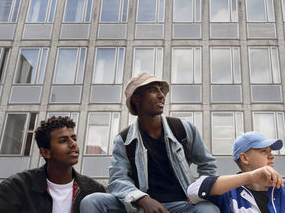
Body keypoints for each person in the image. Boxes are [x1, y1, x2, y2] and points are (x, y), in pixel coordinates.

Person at [81, 72, 219, 213]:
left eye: (161, 90)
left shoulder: (183, 129)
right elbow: (117, 179)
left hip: (183, 205)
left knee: (208, 210)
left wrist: (199, 193)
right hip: (141, 207)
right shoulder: (124, 140)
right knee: (92, 201)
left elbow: (208, 165)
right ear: (137, 98)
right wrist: (143, 200)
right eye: (153, 90)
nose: (161, 95)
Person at [0, 116, 105, 213]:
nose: (73, 144)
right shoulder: (17, 187)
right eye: (63, 141)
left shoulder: (93, 190)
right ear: (45, 152)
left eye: (74, 138)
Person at [187, 131, 285, 213]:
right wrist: (252, 176)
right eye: (264, 151)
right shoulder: (228, 194)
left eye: (271, 152)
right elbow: (192, 191)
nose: (271, 156)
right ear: (244, 158)